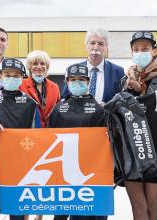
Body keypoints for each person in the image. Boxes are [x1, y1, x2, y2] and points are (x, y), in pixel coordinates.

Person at [0, 58, 41, 220]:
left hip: (21, 168)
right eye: (7, 74)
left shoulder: (31, 104)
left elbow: (39, 137)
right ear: (0, 76)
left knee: (18, 213)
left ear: (22, 78)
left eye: (16, 75)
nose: (11, 78)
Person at [122, 31, 157, 220]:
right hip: (132, 152)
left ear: (154, 51)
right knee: (138, 205)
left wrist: (142, 93)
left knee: (151, 206)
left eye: (145, 48)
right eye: (136, 49)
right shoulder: (124, 81)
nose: (140, 52)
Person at [50, 64, 106, 220]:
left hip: (88, 171)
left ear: (88, 82)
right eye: (73, 79)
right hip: (62, 171)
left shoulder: (98, 109)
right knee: (60, 214)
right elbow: (49, 138)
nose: (77, 82)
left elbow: (105, 143)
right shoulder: (59, 108)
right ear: (67, 82)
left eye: (81, 79)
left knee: (84, 214)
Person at [61, 28, 124, 104]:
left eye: (101, 44)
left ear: (106, 48)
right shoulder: (72, 70)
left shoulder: (118, 72)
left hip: (106, 115)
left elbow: (122, 101)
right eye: (92, 43)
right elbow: (64, 99)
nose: (96, 48)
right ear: (86, 46)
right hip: (78, 115)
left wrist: (108, 107)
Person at [20, 50, 60, 128]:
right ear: (29, 67)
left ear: (47, 67)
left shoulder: (55, 87)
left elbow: (57, 111)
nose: (39, 67)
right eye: (35, 64)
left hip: (49, 132)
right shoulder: (21, 85)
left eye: (42, 64)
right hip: (29, 131)